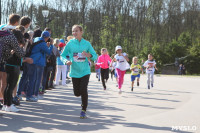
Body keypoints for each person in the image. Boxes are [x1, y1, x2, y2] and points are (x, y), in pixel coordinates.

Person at [61, 25, 97, 119]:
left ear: (81, 32)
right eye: (73, 31)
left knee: (83, 89)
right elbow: (62, 55)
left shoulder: (87, 43)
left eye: (76, 31)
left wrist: (88, 55)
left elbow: (95, 56)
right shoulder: (70, 43)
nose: (74, 33)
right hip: (74, 72)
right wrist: (66, 61)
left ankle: (83, 109)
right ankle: (81, 95)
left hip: (85, 71)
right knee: (77, 93)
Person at [2, 29, 33, 112]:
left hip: (8, 65)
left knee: (8, 86)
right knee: (11, 86)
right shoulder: (15, 45)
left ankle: (6, 104)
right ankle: (9, 105)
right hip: (14, 66)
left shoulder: (9, 44)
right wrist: (25, 46)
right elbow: (21, 55)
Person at [26, 31, 53, 102]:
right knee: (36, 80)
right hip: (39, 62)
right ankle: (33, 95)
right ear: (47, 38)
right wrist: (51, 45)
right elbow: (49, 52)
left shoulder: (36, 39)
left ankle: (29, 94)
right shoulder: (43, 43)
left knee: (32, 79)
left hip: (32, 60)